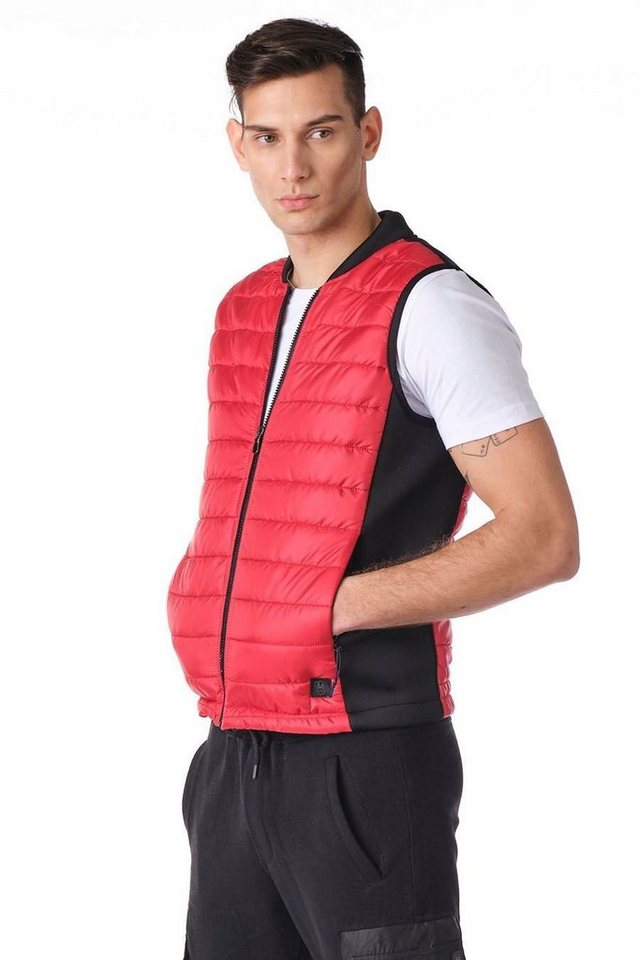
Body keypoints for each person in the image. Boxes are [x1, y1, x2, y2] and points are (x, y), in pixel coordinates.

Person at [166, 17, 580, 960]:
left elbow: (545, 535)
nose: (294, 167)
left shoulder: (433, 307)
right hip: (232, 752)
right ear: (237, 144)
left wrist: (332, 605)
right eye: (268, 137)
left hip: (367, 759)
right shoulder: (242, 310)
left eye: (321, 131)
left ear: (369, 132)